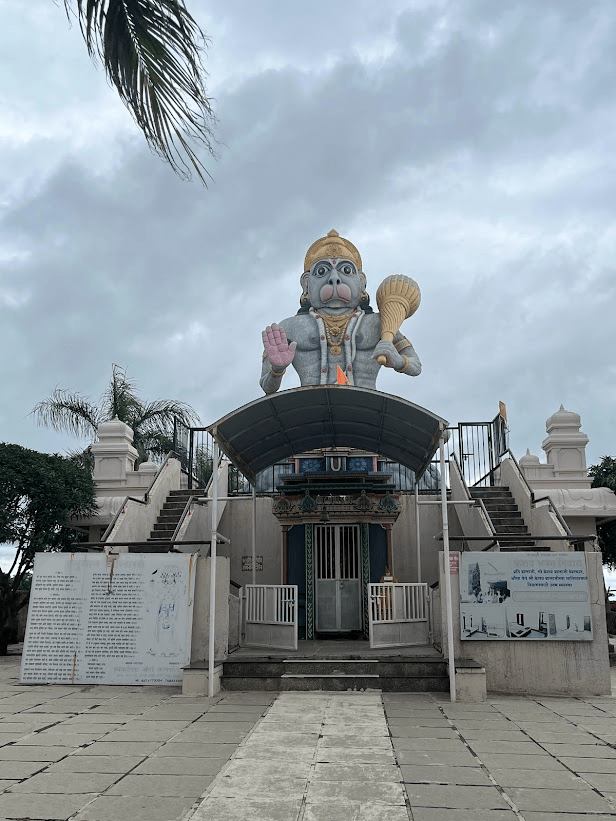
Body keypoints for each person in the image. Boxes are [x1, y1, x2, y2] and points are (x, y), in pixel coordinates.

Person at [260, 230, 421, 394]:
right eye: (322, 271)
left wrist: (400, 361)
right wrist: (276, 370)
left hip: (364, 408)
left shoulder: (379, 323)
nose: (334, 278)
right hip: (312, 409)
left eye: (346, 270)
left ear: (361, 282)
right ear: (306, 283)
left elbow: (416, 366)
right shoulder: (289, 328)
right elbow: (267, 386)